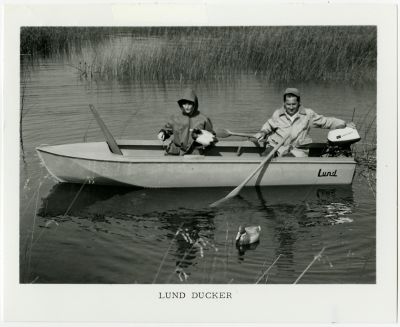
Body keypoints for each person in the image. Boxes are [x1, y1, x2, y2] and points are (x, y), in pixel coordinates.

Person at [253, 88, 356, 157]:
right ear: (284, 103)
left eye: (294, 104)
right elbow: (268, 126)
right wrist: (263, 132)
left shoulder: (308, 114)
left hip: (298, 149)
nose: (291, 107)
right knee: (263, 156)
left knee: (287, 160)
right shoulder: (277, 114)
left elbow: (326, 122)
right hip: (276, 147)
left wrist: (345, 124)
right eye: (288, 104)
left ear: (299, 103)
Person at [158, 88, 215, 155]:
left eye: (189, 104)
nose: (187, 107)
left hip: (195, 153)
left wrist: (207, 144)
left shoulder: (204, 119)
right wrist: (163, 133)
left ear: (194, 104)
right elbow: (168, 130)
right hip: (176, 151)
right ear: (181, 105)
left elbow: (212, 137)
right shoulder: (175, 118)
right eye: (184, 104)